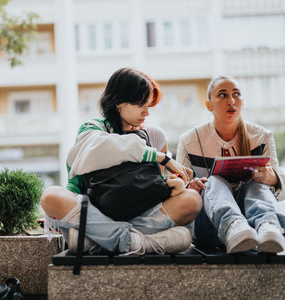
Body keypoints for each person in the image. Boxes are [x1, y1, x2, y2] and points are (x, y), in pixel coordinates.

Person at [41, 67, 202, 255]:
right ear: (118, 101)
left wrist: (178, 184)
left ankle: (97, 242)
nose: (146, 113)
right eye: (141, 104)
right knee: (51, 197)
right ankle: (139, 243)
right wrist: (161, 157)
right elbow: (99, 149)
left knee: (192, 200)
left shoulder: (150, 134)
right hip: (98, 212)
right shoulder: (94, 127)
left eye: (148, 106)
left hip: (138, 213)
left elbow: (150, 186)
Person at [176, 75, 285, 254]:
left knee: (257, 183)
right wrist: (192, 187)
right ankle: (234, 226)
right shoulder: (189, 140)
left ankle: (269, 226)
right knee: (213, 180)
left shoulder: (262, 136)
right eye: (222, 95)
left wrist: (271, 177)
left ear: (243, 102)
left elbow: (281, 194)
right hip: (209, 227)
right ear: (209, 105)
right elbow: (179, 197)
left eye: (236, 94)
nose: (231, 101)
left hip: (256, 229)